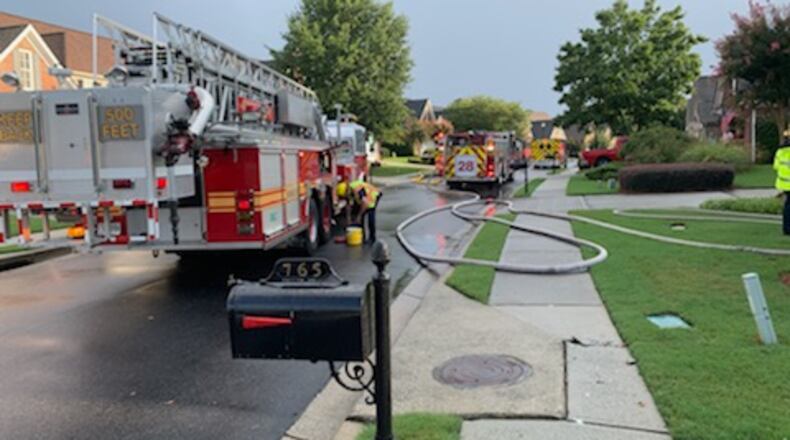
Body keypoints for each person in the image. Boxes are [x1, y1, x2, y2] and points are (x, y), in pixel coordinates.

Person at [774, 139, 790, 235]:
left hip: (783, 183)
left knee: (787, 206)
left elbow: (776, 166)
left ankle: (786, 228)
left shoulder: (780, 152)